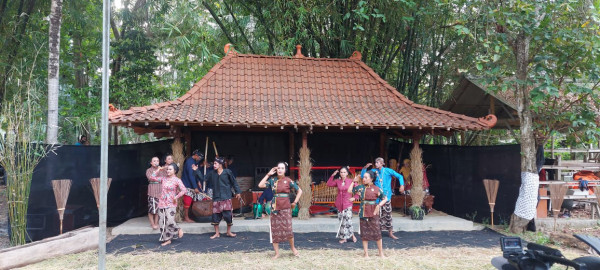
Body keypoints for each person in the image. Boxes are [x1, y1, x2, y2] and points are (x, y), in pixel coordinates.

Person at [258, 162, 303, 259]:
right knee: (275, 230)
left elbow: (300, 191)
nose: (280, 170)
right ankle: (277, 253)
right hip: (274, 208)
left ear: (285, 170)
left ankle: (293, 248)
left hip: (286, 208)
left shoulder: (288, 180)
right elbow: (260, 185)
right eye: (278, 168)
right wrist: (268, 174)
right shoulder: (272, 180)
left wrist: (295, 202)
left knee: (288, 229)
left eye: (282, 168)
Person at [361, 157, 404, 239]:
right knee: (375, 215)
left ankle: (390, 232)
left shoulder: (388, 171)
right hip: (376, 197)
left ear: (381, 163)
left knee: (388, 214)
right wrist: (365, 168)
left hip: (386, 196)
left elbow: (399, 176)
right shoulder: (373, 171)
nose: (376, 164)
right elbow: (363, 176)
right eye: (375, 162)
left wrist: (402, 185)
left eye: (377, 162)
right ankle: (376, 232)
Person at [348, 171, 387, 257]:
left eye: (366, 177)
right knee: (364, 233)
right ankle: (366, 254)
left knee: (377, 232)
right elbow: (350, 190)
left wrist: (379, 205)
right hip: (363, 212)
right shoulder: (361, 187)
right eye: (363, 177)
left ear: (371, 179)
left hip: (374, 212)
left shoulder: (376, 189)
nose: (364, 179)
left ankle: (381, 253)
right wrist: (354, 181)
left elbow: (385, 198)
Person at [149, 164, 186, 246]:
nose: (168, 171)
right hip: (162, 203)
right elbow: (152, 177)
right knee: (162, 223)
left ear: (175, 171)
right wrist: (158, 170)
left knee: (169, 220)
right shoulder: (163, 179)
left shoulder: (177, 180)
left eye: (170, 169)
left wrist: (176, 197)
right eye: (167, 169)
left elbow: (184, 190)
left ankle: (178, 229)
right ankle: (167, 239)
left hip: (171, 203)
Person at [207, 156, 241, 239]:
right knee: (215, 216)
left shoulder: (227, 172)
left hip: (226, 196)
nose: (213, 165)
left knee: (228, 215)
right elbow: (203, 178)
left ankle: (228, 232)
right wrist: (196, 171)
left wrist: (238, 192)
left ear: (220, 165)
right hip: (216, 197)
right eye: (214, 163)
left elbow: (234, 182)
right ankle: (217, 233)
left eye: (215, 163)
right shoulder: (212, 173)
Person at [326, 166, 357, 244]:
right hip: (339, 204)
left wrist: (355, 197)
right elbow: (328, 184)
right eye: (341, 172)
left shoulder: (351, 181)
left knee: (348, 220)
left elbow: (359, 190)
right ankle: (345, 237)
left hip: (348, 203)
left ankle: (350, 235)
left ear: (347, 173)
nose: (342, 173)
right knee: (342, 221)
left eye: (344, 172)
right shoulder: (338, 181)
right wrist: (333, 175)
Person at [180, 150, 204, 222]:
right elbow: (191, 176)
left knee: (191, 201)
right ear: (196, 155)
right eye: (199, 157)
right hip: (187, 185)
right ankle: (186, 217)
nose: (200, 159)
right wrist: (195, 187)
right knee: (187, 201)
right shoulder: (190, 162)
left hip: (191, 184)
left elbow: (194, 174)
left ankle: (190, 216)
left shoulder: (193, 161)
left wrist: (198, 181)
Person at [145, 157, 161, 230]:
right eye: (154, 161)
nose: (156, 162)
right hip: (152, 191)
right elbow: (151, 178)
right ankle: (152, 224)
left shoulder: (162, 170)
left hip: (160, 191)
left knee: (158, 209)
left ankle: (156, 223)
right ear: (151, 163)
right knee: (151, 209)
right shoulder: (149, 170)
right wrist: (158, 170)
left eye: (157, 161)